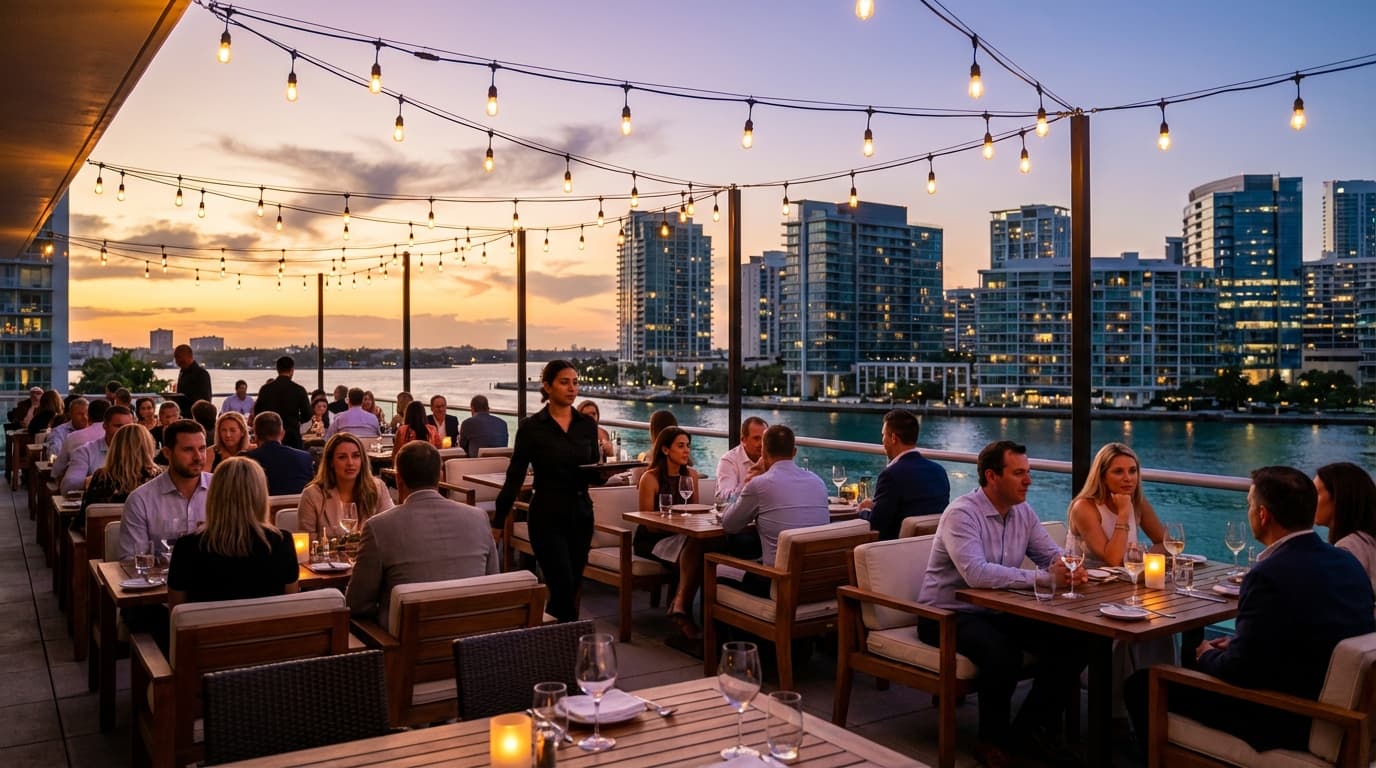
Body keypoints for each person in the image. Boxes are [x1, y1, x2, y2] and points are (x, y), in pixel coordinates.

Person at [1126, 465, 1376, 754]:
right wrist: (1237, 644)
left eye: (1249, 505)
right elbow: (1312, 631)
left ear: (1262, 515)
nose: (1249, 511)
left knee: (1142, 684)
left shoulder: (1267, 575)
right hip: (1332, 712)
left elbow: (1240, 670)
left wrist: (1207, 655)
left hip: (1278, 714)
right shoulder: (1347, 564)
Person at [918, 440, 1088, 767]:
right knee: (1003, 654)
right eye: (1019, 473)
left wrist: (1069, 567)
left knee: (1075, 640)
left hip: (998, 610)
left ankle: (1026, 731)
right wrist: (1045, 579)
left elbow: (1049, 555)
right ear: (992, 476)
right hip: (946, 614)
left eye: (1029, 472)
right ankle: (990, 740)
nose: (1029, 481)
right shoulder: (962, 514)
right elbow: (976, 574)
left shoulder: (1022, 511)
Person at [494, 360, 600, 623]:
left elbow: (593, 469)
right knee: (562, 585)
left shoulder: (586, 425)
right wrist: (499, 519)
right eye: (564, 382)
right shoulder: (531, 427)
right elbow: (515, 475)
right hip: (547, 515)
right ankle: (567, 647)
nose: (572, 388)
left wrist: (604, 474)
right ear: (547, 386)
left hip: (581, 514)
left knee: (571, 587)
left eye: (575, 382)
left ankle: (554, 640)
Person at [346, 441, 498, 621]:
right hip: (472, 635)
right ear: (440, 476)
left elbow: (356, 604)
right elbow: (493, 583)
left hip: (407, 643)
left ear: (398, 479)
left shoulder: (378, 527)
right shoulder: (478, 518)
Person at [166, 457, 299, 609]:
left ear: (215, 494)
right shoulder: (281, 542)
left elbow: (176, 615)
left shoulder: (187, 547)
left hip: (209, 631)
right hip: (268, 631)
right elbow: (291, 606)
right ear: (260, 495)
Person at [719, 425, 830, 596]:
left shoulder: (760, 484)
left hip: (777, 583)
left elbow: (729, 525)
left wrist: (749, 481)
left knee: (714, 567)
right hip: (816, 583)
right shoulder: (818, 482)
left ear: (763, 453)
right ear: (794, 452)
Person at [635, 426, 703, 637]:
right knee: (693, 553)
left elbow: (694, 513)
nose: (686, 451)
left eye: (688, 446)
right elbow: (649, 523)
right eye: (680, 446)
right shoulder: (651, 478)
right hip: (651, 539)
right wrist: (677, 522)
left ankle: (680, 606)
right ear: (665, 450)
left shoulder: (691, 475)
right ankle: (683, 613)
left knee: (704, 549)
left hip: (681, 536)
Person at [119, 419, 212, 559]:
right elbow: (132, 559)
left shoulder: (223, 490)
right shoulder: (141, 499)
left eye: (202, 448)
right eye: (188, 449)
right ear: (167, 453)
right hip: (163, 579)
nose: (198, 457)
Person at [1068, 442, 1166, 567]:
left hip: (1126, 580)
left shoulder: (1137, 502)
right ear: (1102, 477)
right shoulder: (1084, 507)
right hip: (1087, 583)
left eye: (1132, 471)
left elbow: (1165, 544)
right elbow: (1113, 560)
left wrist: (1141, 557)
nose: (1128, 478)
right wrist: (1123, 513)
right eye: (1118, 472)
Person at [858, 410, 950, 540]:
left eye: (884, 435)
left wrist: (863, 511)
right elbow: (913, 507)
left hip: (894, 550)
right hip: (929, 548)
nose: (882, 441)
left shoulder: (890, 475)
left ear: (894, 438)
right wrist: (877, 507)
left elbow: (876, 524)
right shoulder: (939, 471)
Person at [298, 432, 394, 539]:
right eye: (342, 457)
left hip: (369, 555)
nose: (350, 463)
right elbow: (307, 541)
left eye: (356, 456)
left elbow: (389, 529)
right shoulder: (312, 495)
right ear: (331, 462)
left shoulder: (377, 488)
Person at [75, 423, 160, 532]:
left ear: (115, 447)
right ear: (148, 446)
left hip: (104, 543)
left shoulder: (102, 477)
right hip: (151, 541)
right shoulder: (159, 477)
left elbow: (83, 520)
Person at [1316, 461, 1376, 591]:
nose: (1310, 500)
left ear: (1338, 497)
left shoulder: (1348, 549)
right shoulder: (1366, 541)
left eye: (1317, 494)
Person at [62, 405, 134, 493]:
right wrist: (100, 479)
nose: (124, 431)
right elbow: (68, 485)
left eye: (129, 427)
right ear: (105, 426)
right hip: (101, 505)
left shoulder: (139, 451)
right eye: (118, 426)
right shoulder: (85, 452)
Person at [244, 411, 313, 495]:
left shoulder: (245, 459)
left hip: (261, 507)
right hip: (296, 507)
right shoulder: (305, 458)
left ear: (255, 435)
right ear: (282, 433)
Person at [254, 356, 312, 450]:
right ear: (292, 370)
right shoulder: (298, 390)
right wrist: (296, 421)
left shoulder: (265, 389)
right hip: (292, 434)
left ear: (277, 369)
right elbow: (308, 414)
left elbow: (258, 412)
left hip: (268, 434)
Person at [52, 399, 108, 481]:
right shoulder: (116, 436)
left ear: (89, 415)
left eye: (85, 414)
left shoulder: (73, 437)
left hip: (79, 486)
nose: (84, 417)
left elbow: (57, 470)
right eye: (80, 414)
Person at [715, 417, 767, 497]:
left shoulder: (773, 458)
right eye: (756, 438)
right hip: (737, 509)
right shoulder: (729, 460)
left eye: (764, 439)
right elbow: (726, 498)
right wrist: (749, 480)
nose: (762, 444)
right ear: (743, 440)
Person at [172, 344, 212, 413]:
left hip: (196, 415)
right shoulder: (182, 372)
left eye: (179, 357)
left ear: (189, 356)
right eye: (176, 358)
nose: (177, 361)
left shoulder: (201, 374)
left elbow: (206, 399)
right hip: (182, 413)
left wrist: (183, 399)